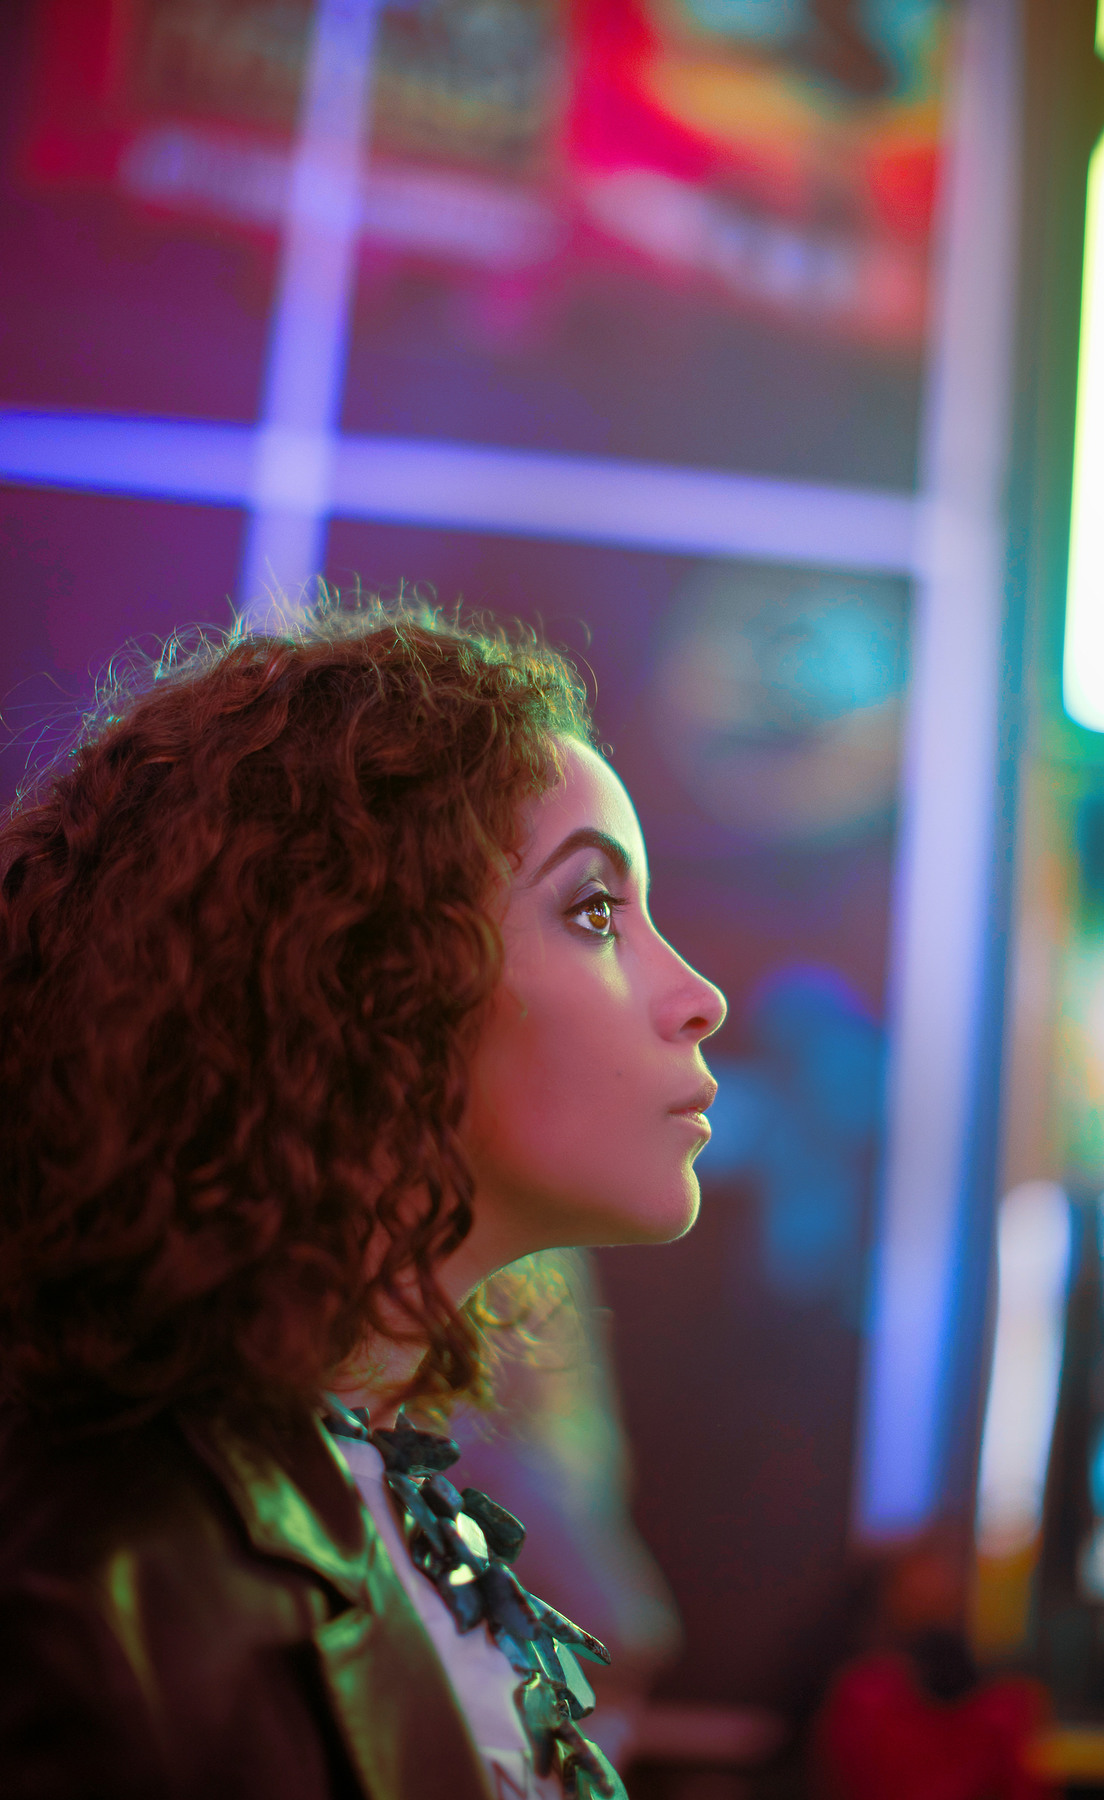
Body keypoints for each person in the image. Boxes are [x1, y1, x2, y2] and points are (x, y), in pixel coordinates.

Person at [0, 598, 726, 1800]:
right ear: (364, 977)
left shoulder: (389, 1497)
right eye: (596, 910)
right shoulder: (103, 1576)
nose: (698, 994)